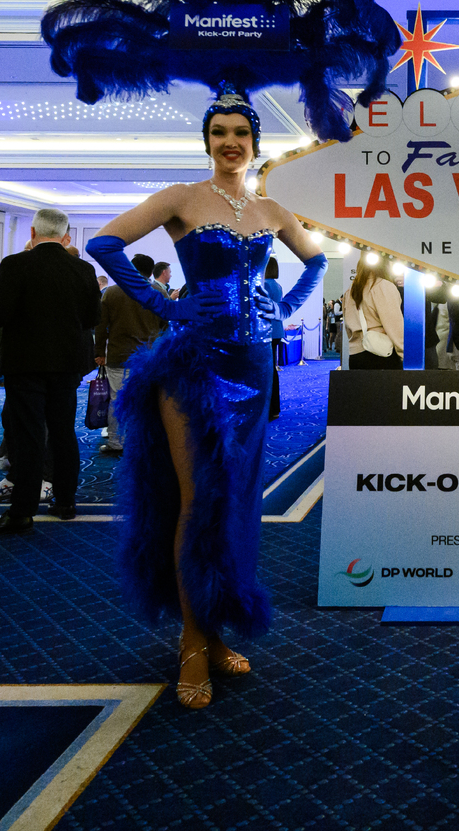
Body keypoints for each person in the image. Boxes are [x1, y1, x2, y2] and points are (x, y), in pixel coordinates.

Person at [85, 85, 329, 709]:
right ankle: (191, 644)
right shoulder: (180, 199)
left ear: (253, 143)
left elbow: (317, 263)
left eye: (240, 135)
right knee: (197, 499)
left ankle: (215, 627)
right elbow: (104, 244)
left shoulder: (272, 209)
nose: (230, 144)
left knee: (238, 502)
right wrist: (164, 303)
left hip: (254, 365)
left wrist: (285, 312)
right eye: (219, 134)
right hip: (192, 363)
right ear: (207, 141)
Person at [0, 209, 101, 533]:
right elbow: (91, 320)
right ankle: (65, 502)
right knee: (63, 434)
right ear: (66, 236)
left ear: (32, 232)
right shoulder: (84, 269)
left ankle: (22, 511)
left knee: (29, 436)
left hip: (25, 363)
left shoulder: (16, 265)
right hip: (67, 365)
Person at [95, 253, 166, 454]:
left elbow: (101, 326)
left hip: (118, 354)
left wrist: (99, 351)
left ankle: (117, 442)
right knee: (145, 399)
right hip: (147, 356)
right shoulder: (158, 292)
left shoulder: (112, 292)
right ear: (151, 272)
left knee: (117, 398)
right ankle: (142, 440)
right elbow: (166, 321)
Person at [343, 255, 405, 369]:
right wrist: (404, 354)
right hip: (381, 355)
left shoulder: (350, 290)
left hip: (356, 356)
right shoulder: (383, 286)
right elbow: (394, 326)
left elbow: (348, 326)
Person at [264, 256, 286, 418]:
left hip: (267, 332)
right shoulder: (277, 286)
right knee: (271, 370)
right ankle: (274, 409)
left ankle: (270, 409)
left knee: (267, 370)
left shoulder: (264, 285)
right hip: (276, 331)